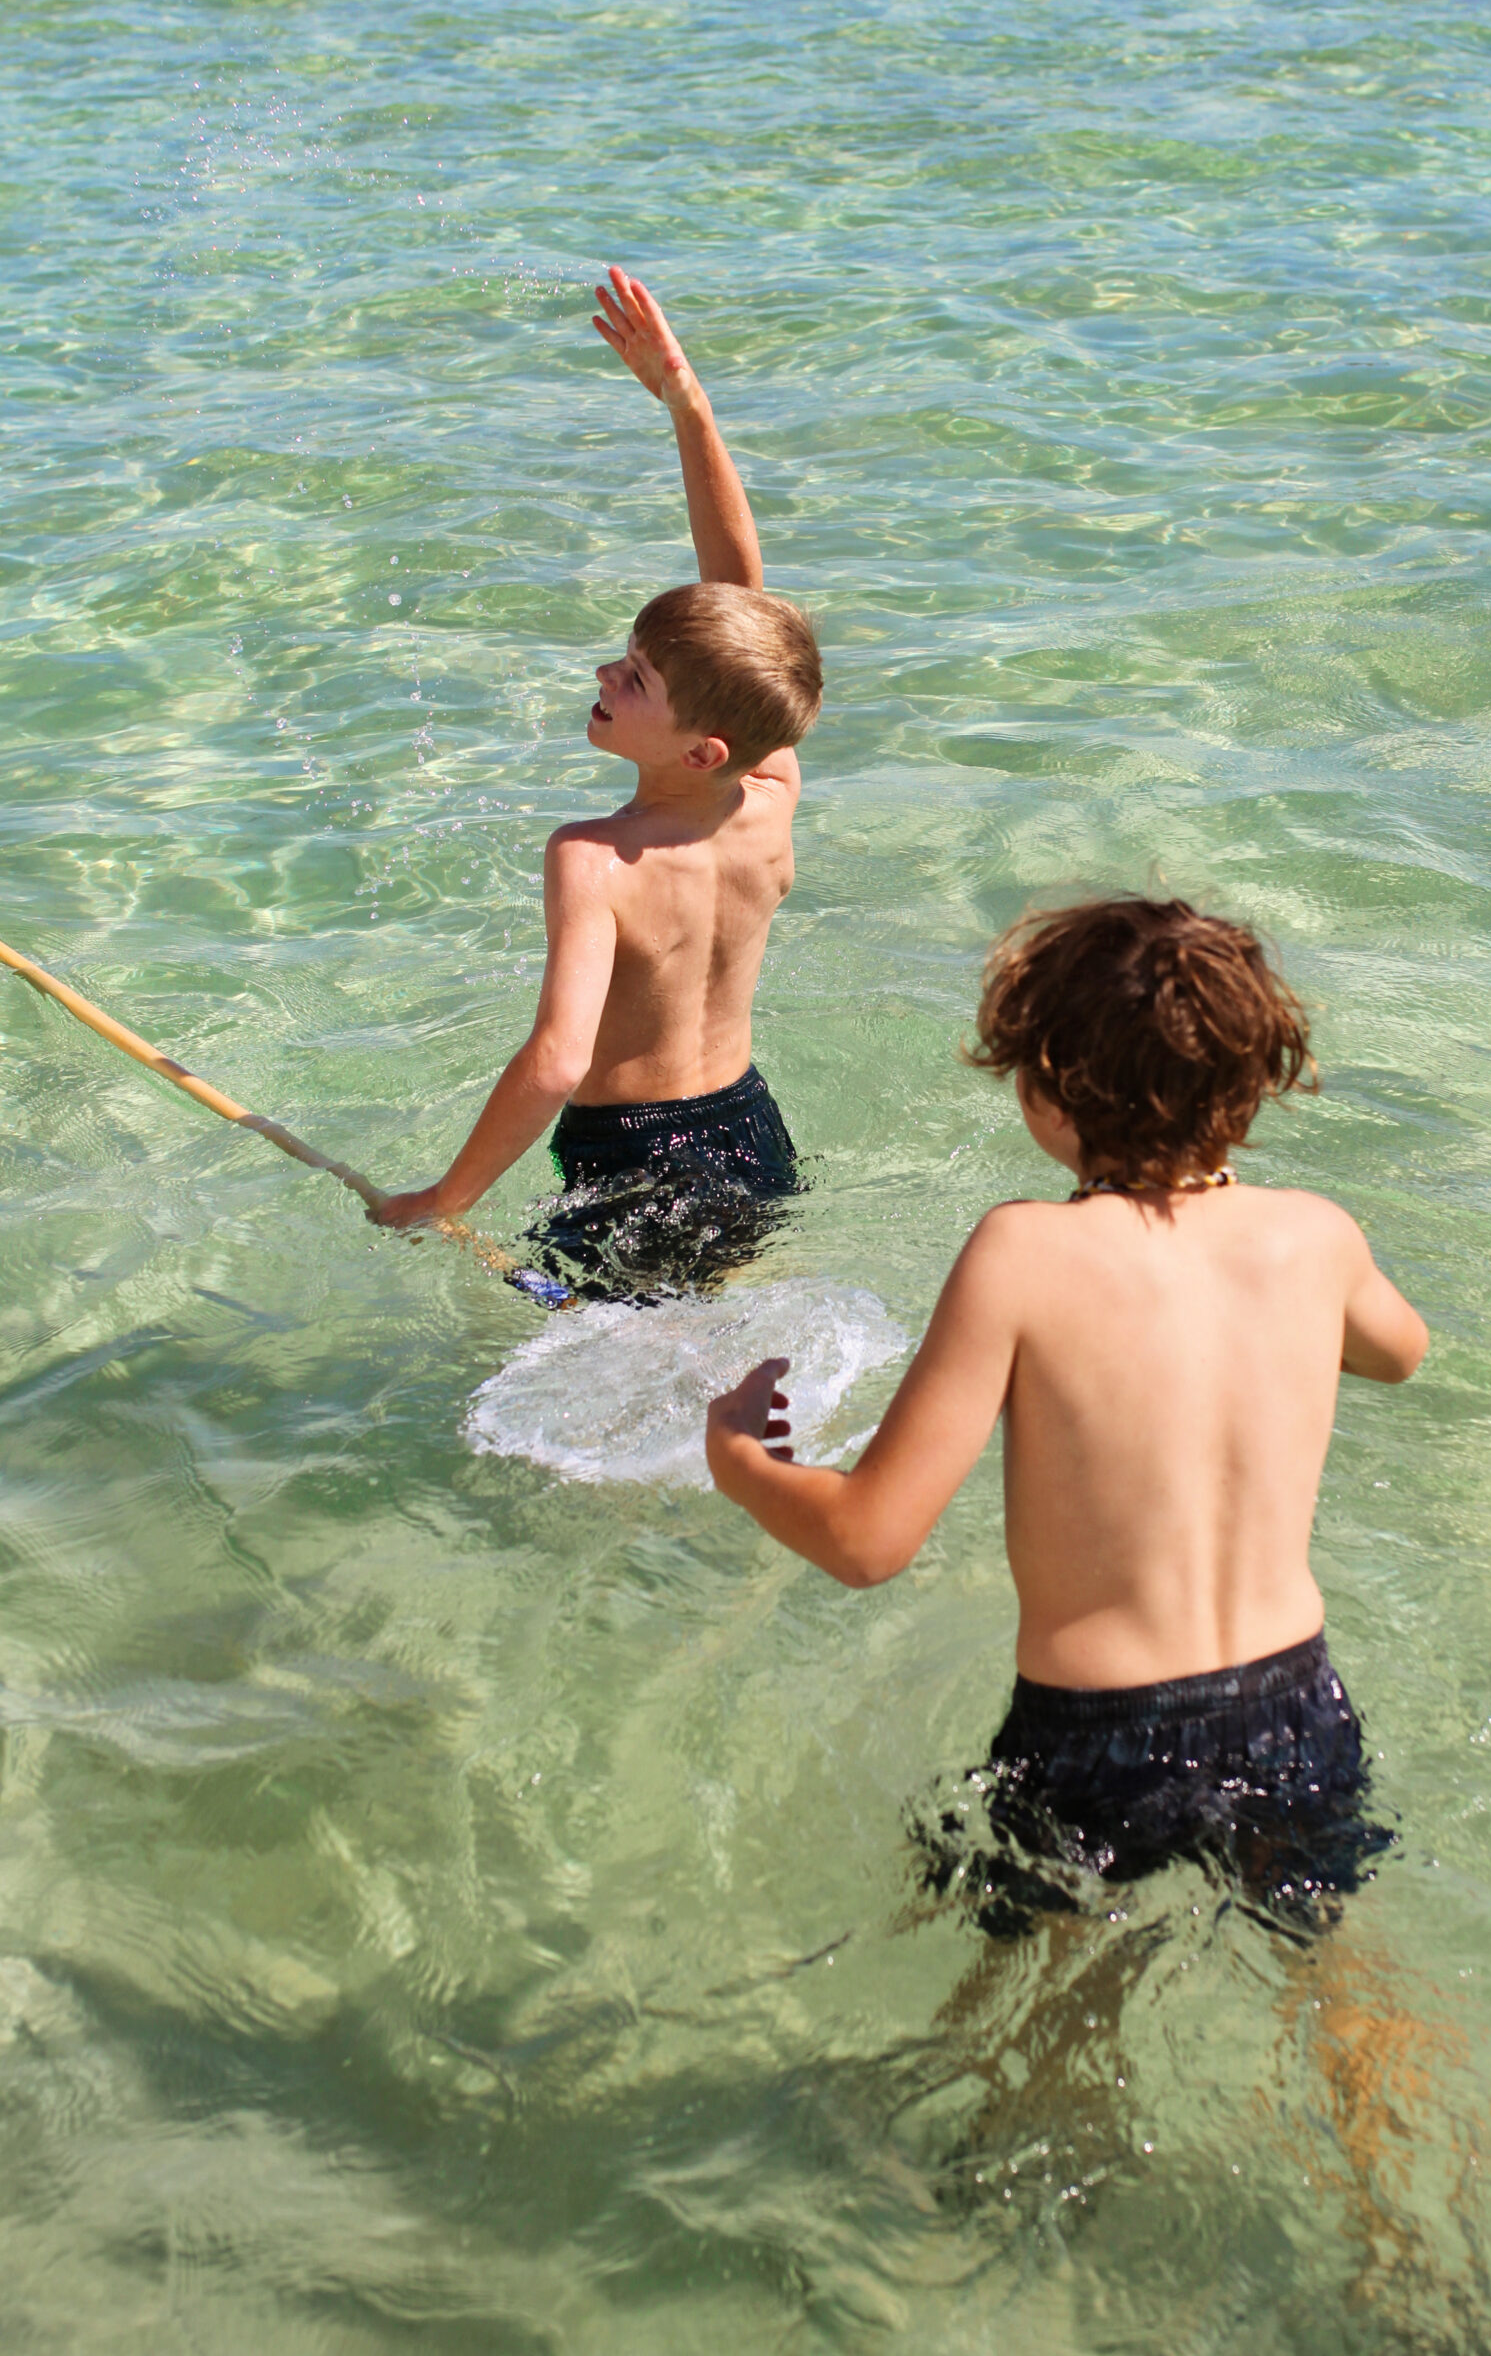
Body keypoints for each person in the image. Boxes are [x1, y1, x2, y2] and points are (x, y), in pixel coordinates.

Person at [704, 897, 1429, 1931]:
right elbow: (1400, 1354)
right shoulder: (1314, 1238)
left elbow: (868, 1540)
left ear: (1046, 1092)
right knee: (1334, 1977)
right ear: (1254, 1083)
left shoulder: (1023, 1253)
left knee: (1038, 2009)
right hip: (1293, 1706)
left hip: (1100, 1733)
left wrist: (737, 1456)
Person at [373, 269, 822, 1300]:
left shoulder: (593, 857)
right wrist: (686, 405)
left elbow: (556, 1062)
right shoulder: (771, 794)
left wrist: (444, 1197)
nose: (603, 678)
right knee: (721, 1348)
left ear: (702, 747)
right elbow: (740, 588)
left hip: (631, 1162)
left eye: (636, 679)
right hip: (752, 1134)